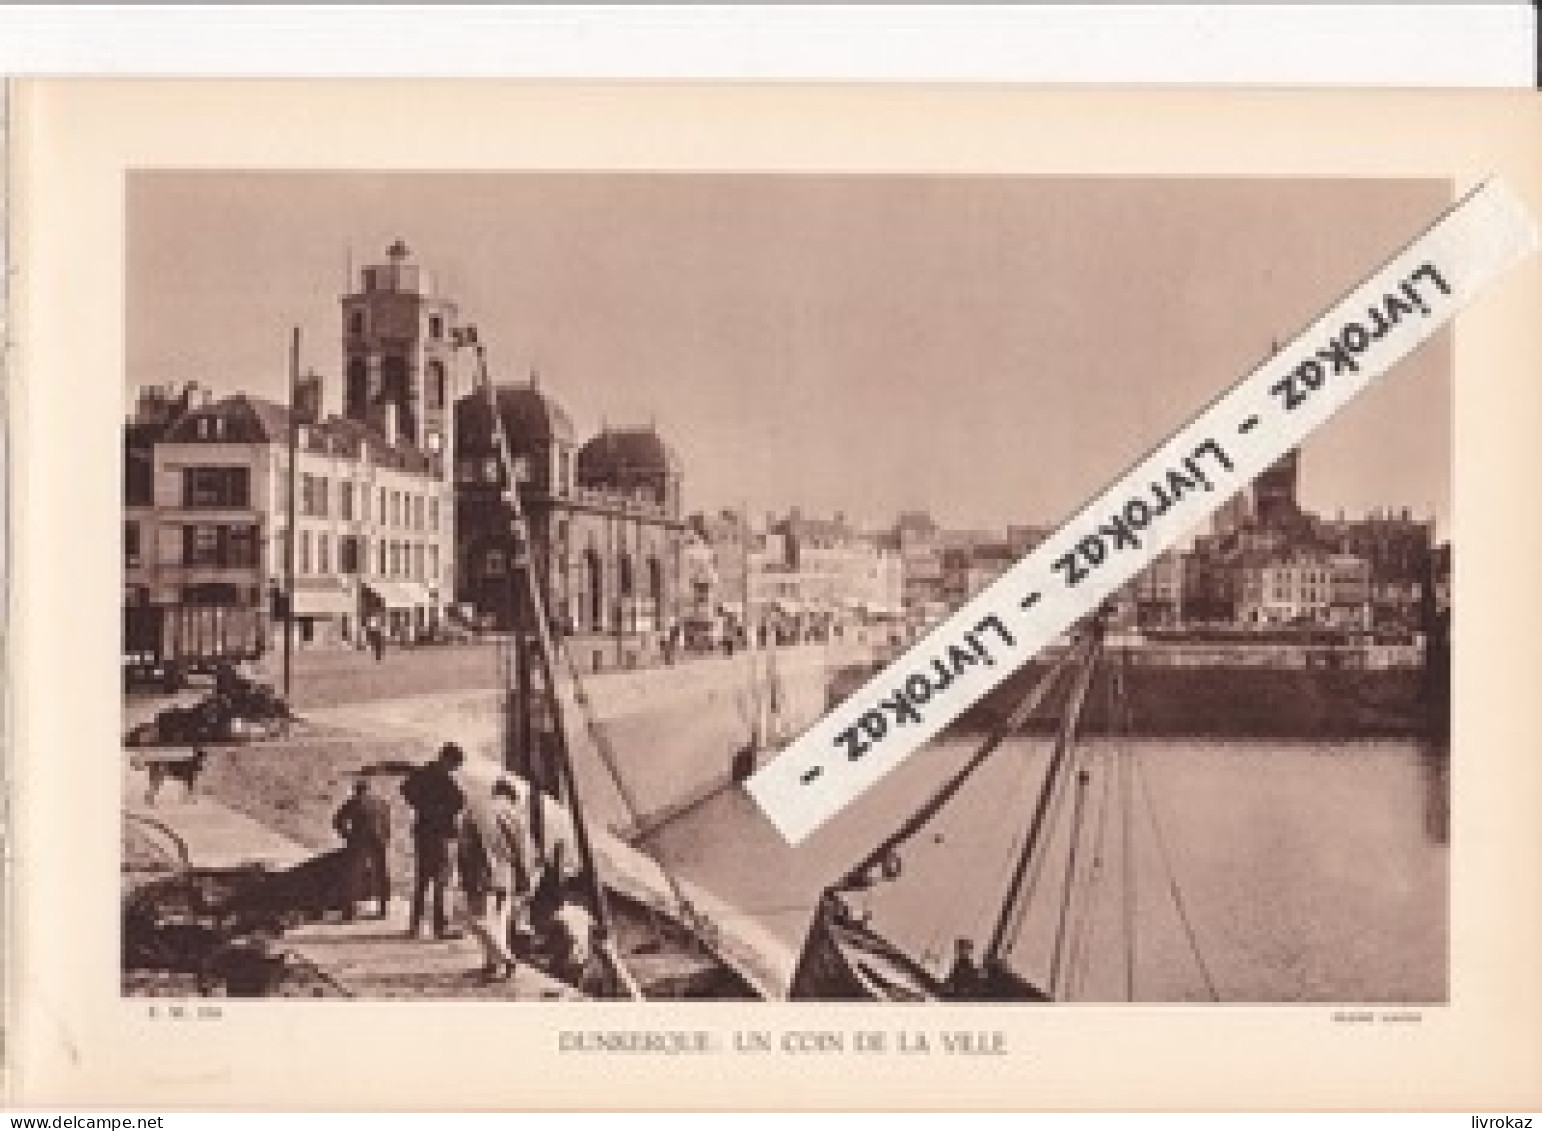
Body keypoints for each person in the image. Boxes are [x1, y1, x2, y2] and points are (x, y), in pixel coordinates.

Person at [457, 776, 535, 982]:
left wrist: (464, 873)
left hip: (480, 872)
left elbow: (464, 847)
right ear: (511, 796)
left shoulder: (474, 810)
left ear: (495, 791)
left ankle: (503, 959)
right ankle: (493, 965)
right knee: (499, 922)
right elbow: (523, 849)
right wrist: (525, 877)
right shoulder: (515, 815)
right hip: (506, 873)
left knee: (476, 919)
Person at [400, 743, 467, 939]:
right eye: (454, 765)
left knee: (421, 880)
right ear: (447, 759)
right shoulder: (444, 779)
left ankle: (415, 927)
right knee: (441, 881)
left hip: (423, 832)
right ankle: (440, 927)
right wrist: (439, 810)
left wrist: (423, 808)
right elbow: (459, 802)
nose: (454, 769)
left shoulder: (422, 773)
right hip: (440, 834)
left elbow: (405, 790)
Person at [332, 777, 392, 920]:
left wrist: (346, 835)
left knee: (352, 873)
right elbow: (387, 822)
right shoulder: (381, 802)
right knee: (381, 872)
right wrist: (385, 837)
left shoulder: (354, 802)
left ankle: (349, 910)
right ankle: (383, 908)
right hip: (379, 840)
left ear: (356, 790)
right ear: (369, 789)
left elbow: (338, 820)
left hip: (359, 840)